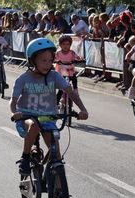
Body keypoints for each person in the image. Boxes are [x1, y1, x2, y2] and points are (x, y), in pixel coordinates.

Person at [9, 38, 88, 175]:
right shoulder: (23, 79)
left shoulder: (54, 76)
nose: (47, 64)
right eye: (43, 60)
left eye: (50, 60)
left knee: (56, 155)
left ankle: (59, 192)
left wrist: (83, 109)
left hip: (47, 117)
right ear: (33, 60)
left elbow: (71, 93)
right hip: (27, 116)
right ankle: (25, 158)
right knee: (34, 125)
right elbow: (13, 100)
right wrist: (15, 112)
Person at [55, 35, 84, 104]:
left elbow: (77, 57)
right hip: (61, 70)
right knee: (61, 89)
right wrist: (55, 61)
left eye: (67, 44)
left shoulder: (72, 53)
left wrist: (80, 59)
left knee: (74, 78)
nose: (65, 46)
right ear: (60, 45)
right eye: (63, 44)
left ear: (70, 45)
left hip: (70, 70)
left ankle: (75, 89)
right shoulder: (58, 53)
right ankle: (55, 104)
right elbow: (54, 58)